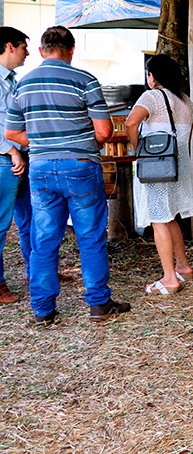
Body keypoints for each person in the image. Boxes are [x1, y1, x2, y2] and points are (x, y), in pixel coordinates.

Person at [4, 26, 130, 324]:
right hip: (80, 166)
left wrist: (45, 143)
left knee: (44, 240)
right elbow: (104, 131)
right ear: (72, 51)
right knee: (90, 237)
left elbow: (11, 132)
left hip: (41, 169)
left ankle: (43, 309)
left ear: (40, 51)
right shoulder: (85, 80)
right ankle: (99, 304)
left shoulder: (23, 84)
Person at [125, 54, 193, 295]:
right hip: (178, 165)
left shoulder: (152, 96)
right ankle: (183, 266)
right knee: (170, 217)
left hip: (156, 166)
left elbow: (130, 123)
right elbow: (187, 138)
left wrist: (138, 149)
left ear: (153, 76)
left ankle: (170, 279)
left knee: (159, 218)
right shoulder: (186, 102)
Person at [0, 27, 31, 304]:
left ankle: (38, 271)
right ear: (9, 47)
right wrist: (11, 151)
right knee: (0, 226)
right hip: (5, 160)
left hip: (19, 157)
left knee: (29, 219)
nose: (27, 53)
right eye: (23, 47)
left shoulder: (12, 80)